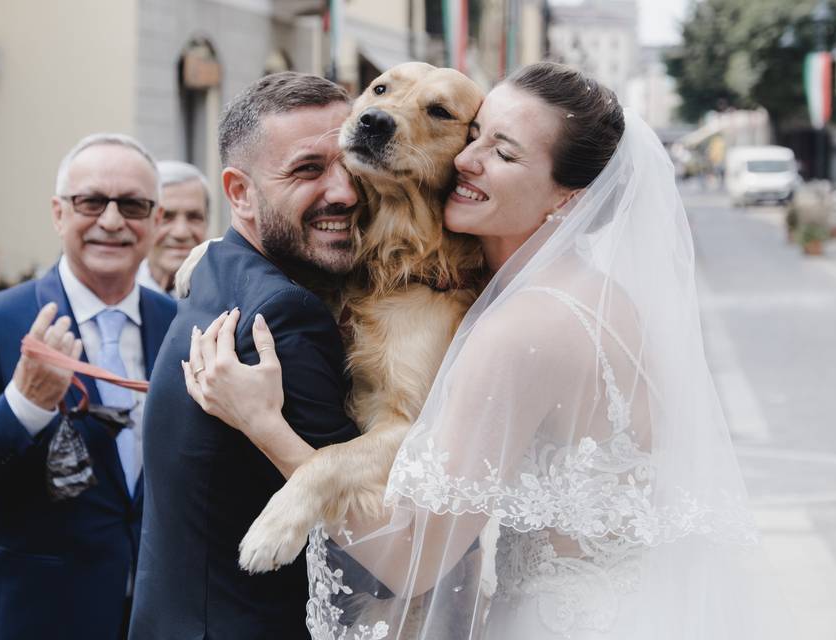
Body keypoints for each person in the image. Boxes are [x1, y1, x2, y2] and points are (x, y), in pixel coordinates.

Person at [183, 62, 790, 639]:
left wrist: (267, 426)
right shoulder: (569, 293)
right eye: (475, 137)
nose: (468, 161)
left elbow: (409, 561)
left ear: (569, 198)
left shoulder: (523, 327)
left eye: (503, 153)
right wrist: (227, 249)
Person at [127, 72, 361, 640]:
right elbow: (367, 543)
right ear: (239, 192)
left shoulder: (217, 269)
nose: (345, 192)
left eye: (352, 166)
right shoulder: (281, 315)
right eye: (308, 169)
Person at [0, 133, 177, 640]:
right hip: (33, 619)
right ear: (59, 213)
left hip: (153, 620)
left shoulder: (180, 323)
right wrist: (25, 403)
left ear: (156, 221)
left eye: (131, 204)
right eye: (90, 202)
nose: (110, 220)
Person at [136, 160, 211, 295]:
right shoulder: (117, 293)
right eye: (166, 217)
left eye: (194, 217)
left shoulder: (229, 295)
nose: (181, 233)